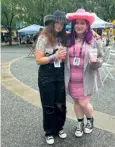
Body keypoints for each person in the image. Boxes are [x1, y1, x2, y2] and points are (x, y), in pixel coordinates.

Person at [65, 9, 103, 137]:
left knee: (83, 103)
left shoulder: (93, 41)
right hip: (71, 80)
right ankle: (80, 123)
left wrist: (96, 62)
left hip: (86, 79)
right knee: (76, 102)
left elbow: (101, 58)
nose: (79, 26)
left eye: (82, 23)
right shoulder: (68, 40)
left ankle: (90, 120)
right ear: (73, 25)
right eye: (77, 23)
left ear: (87, 26)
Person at [35, 10, 68, 145]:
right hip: (46, 74)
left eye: (61, 23)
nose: (59, 25)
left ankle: (59, 127)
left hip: (59, 72)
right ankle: (49, 131)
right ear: (51, 22)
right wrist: (54, 56)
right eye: (57, 22)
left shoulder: (63, 37)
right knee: (49, 104)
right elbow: (38, 60)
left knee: (60, 104)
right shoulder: (43, 37)